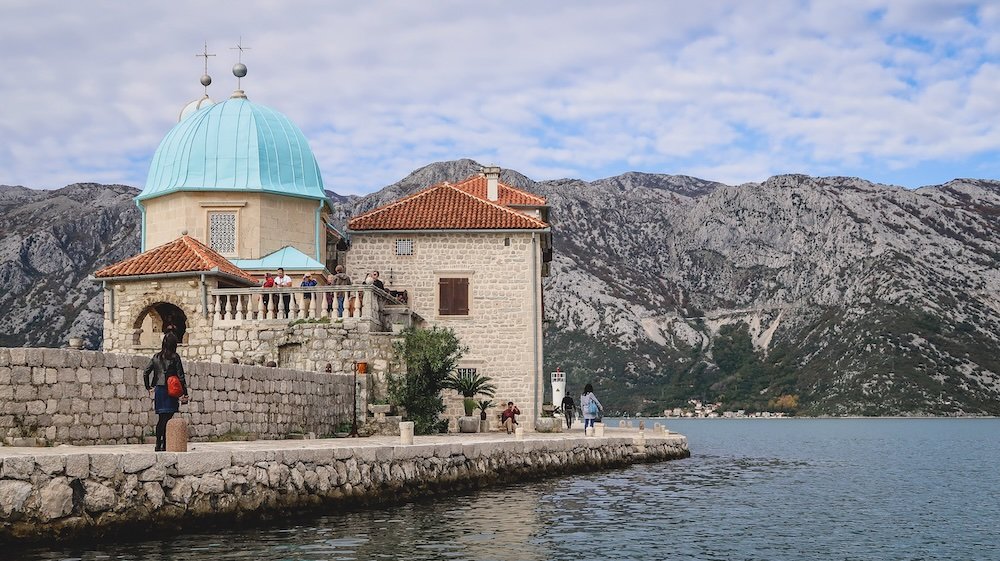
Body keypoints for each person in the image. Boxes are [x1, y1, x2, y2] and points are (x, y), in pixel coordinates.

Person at [143, 332, 188, 452]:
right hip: (171, 389)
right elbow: (181, 376)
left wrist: (148, 387)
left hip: (159, 389)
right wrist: (185, 392)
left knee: (161, 418)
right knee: (168, 417)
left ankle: (158, 443)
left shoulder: (156, 357)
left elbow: (146, 372)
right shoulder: (175, 357)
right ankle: (166, 444)